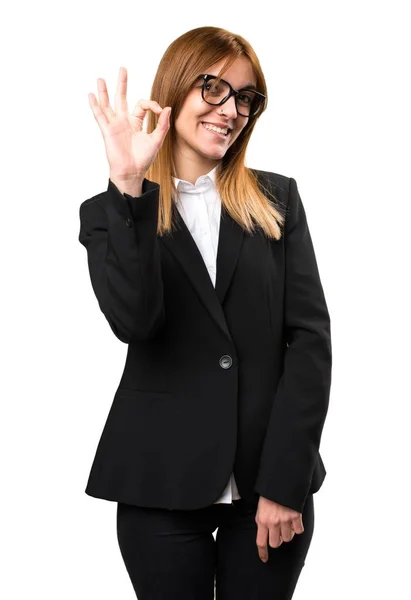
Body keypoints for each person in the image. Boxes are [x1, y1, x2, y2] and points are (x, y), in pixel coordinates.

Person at [78, 25, 332, 600]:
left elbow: (310, 341)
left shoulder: (276, 199)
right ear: (174, 88)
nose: (231, 110)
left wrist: (285, 481)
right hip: (158, 478)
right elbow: (135, 322)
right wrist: (129, 189)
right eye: (213, 88)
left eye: (245, 98)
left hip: (269, 484)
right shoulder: (109, 212)